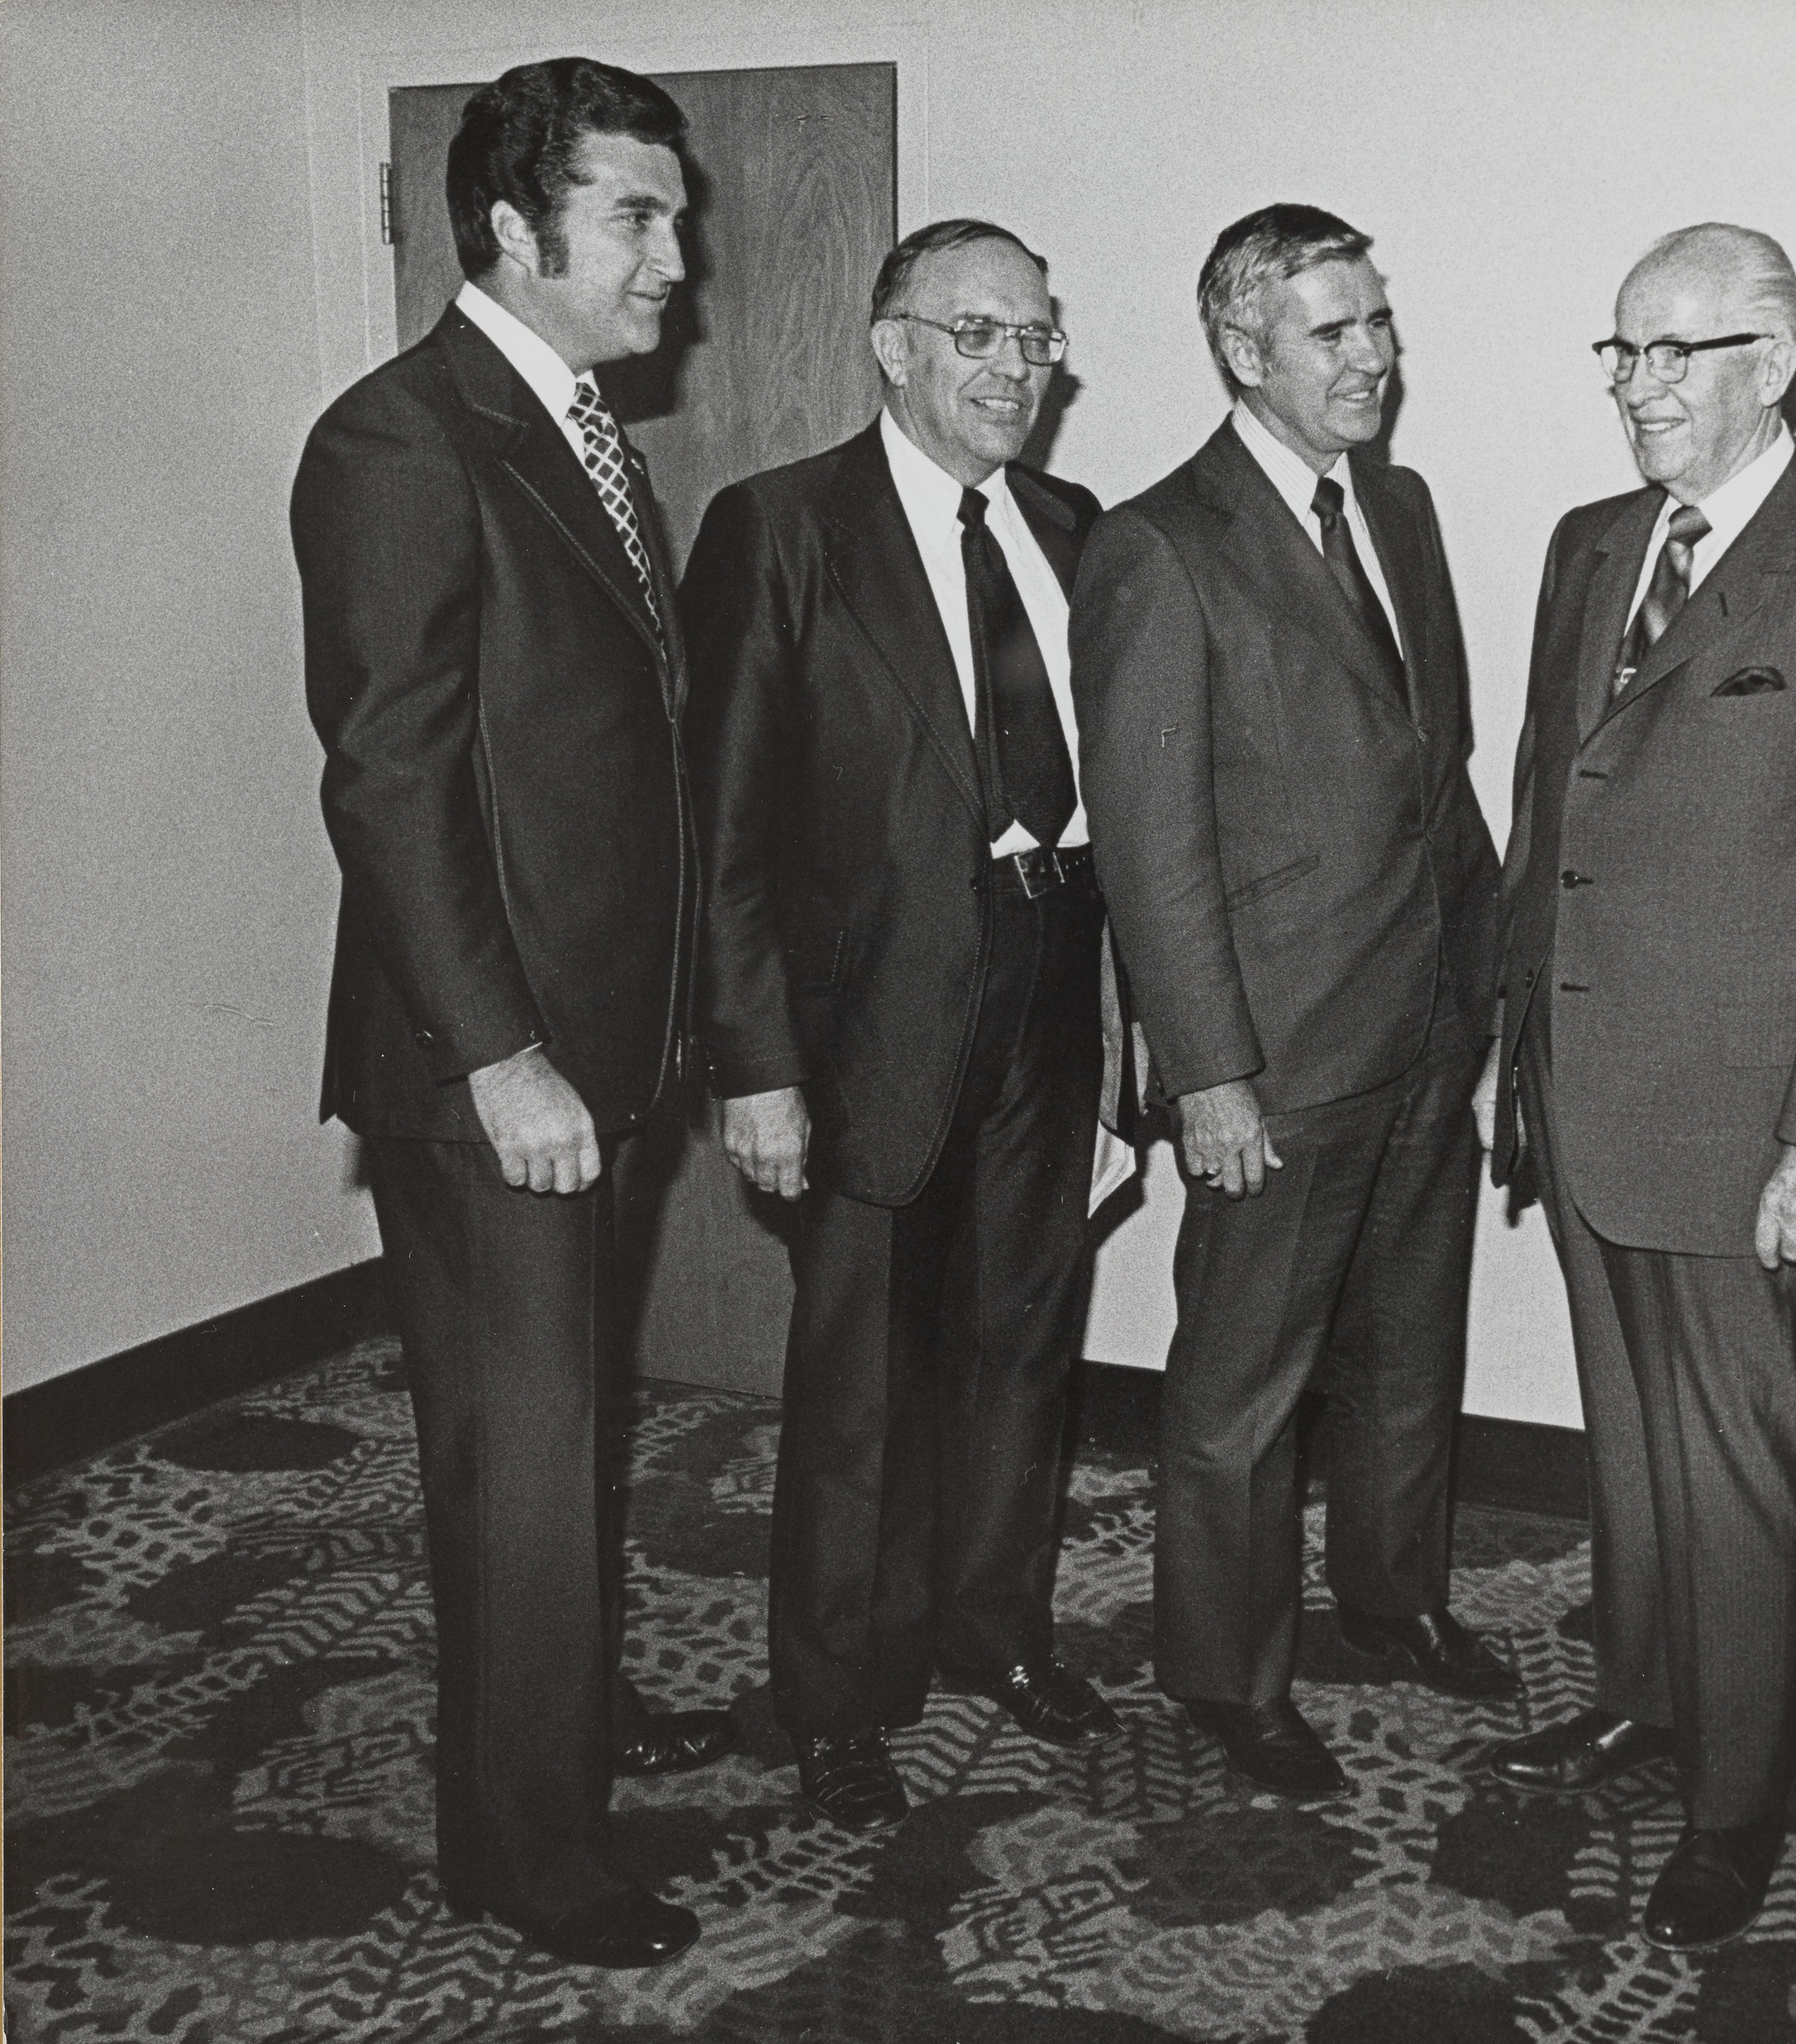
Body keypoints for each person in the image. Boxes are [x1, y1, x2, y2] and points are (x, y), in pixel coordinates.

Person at [292, 56, 736, 1970]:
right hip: (498, 1068)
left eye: (672, 212)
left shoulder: (567, 425)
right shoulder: (402, 440)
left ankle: (550, 1736)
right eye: (636, 216)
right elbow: (387, 777)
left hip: (595, 1045)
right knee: (525, 1453)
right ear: (510, 232)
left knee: (560, 1436)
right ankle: (525, 1855)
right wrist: (498, 1055)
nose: (676, 255)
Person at [1477, 225, 1796, 1948]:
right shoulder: (1588, 545)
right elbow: (1551, 813)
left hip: (1752, 1118)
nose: (1638, 389)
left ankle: (1734, 1798)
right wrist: (1507, 1053)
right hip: (1583, 1080)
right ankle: (1639, 1698)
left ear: (1776, 364)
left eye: (1676, 354)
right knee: (1628, 1440)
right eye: (1620, 354)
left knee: (1741, 1464)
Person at [683, 218, 1123, 1837]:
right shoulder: (783, 528)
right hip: (866, 1017)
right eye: (978, 333)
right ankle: (838, 1694)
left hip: (1048, 988)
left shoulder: (1075, 529)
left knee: (1018, 1342)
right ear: (893, 346)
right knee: (860, 1373)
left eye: (1035, 336)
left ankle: (991, 1632)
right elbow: (721, 830)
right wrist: (755, 1065)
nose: (1016, 367)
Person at [1070, 202, 1509, 1801]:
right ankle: (1225, 1681)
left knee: (1407, 1355)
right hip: (1271, 1055)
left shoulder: (1400, 507)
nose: (1376, 355)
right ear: (1244, 351)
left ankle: (1394, 1605)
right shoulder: (1158, 543)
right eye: (1337, 330)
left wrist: (1492, 989)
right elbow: (1150, 842)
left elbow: (1433, 776)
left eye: (1379, 320)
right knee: (1241, 1390)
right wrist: (1208, 1075)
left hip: (1419, 1031)